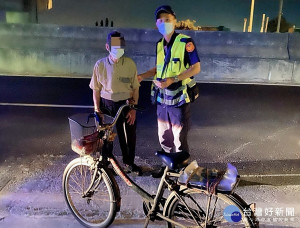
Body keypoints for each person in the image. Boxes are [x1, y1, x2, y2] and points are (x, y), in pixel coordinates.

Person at [138, 5, 201, 178]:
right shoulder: (159, 45)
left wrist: (173, 79)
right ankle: (167, 168)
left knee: (179, 138)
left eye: (168, 19)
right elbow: (160, 68)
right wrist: (143, 75)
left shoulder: (185, 42)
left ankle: (183, 171)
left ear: (174, 20)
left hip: (179, 100)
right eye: (160, 20)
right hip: (162, 100)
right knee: (164, 136)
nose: (164, 23)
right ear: (156, 24)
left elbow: (196, 68)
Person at [89, 31, 142, 175]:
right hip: (107, 105)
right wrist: (97, 109)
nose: (118, 50)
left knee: (129, 135)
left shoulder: (130, 64)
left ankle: (129, 163)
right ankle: (106, 164)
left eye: (120, 46)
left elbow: (135, 88)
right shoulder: (100, 65)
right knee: (107, 137)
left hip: (126, 105)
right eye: (115, 46)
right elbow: (96, 89)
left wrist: (133, 109)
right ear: (107, 47)